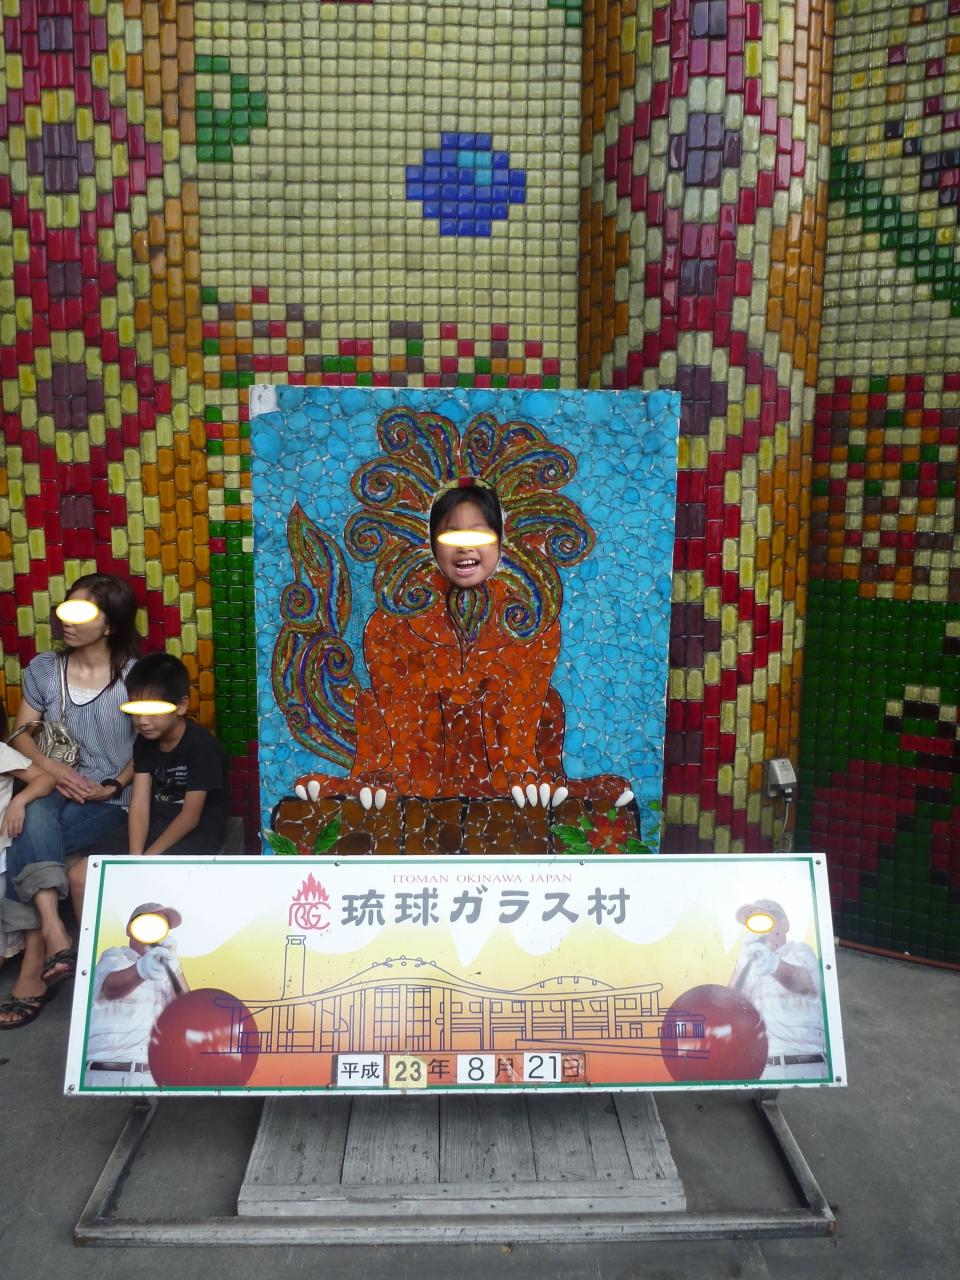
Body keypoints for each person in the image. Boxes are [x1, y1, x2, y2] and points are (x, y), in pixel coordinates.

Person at [0, 573, 142, 1028]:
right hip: (53, 787)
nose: (68, 621)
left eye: (83, 614)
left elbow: (150, 746)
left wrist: (113, 785)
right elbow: (20, 734)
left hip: (109, 800)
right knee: (34, 816)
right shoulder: (45, 669)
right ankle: (55, 931)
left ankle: (35, 963)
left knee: (25, 835)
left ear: (111, 625)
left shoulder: (135, 677)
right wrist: (54, 770)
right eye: (66, 610)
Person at [125, 653, 230, 855]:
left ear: (181, 706)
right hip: (158, 820)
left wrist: (148, 859)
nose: (142, 721)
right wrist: (135, 857)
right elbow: (139, 804)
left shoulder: (203, 747)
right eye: (136, 711)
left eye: (153, 711)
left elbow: (190, 817)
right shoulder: (144, 742)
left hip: (198, 830)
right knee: (82, 871)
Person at [84, 902, 188, 1087]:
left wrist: (174, 968)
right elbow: (111, 988)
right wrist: (142, 969)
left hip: (153, 1075)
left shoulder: (165, 970)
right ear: (130, 929)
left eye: (160, 928)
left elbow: (187, 1012)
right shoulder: (114, 956)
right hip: (105, 1072)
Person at [728, 898, 828, 1081]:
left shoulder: (799, 951)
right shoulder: (750, 966)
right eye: (752, 924)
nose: (759, 929)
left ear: (784, 924)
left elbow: (807, 984)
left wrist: (773, 965)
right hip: (761, 1069)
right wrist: (742, 964)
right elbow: (729, 1008)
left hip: (804, 1065)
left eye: (764, 919)